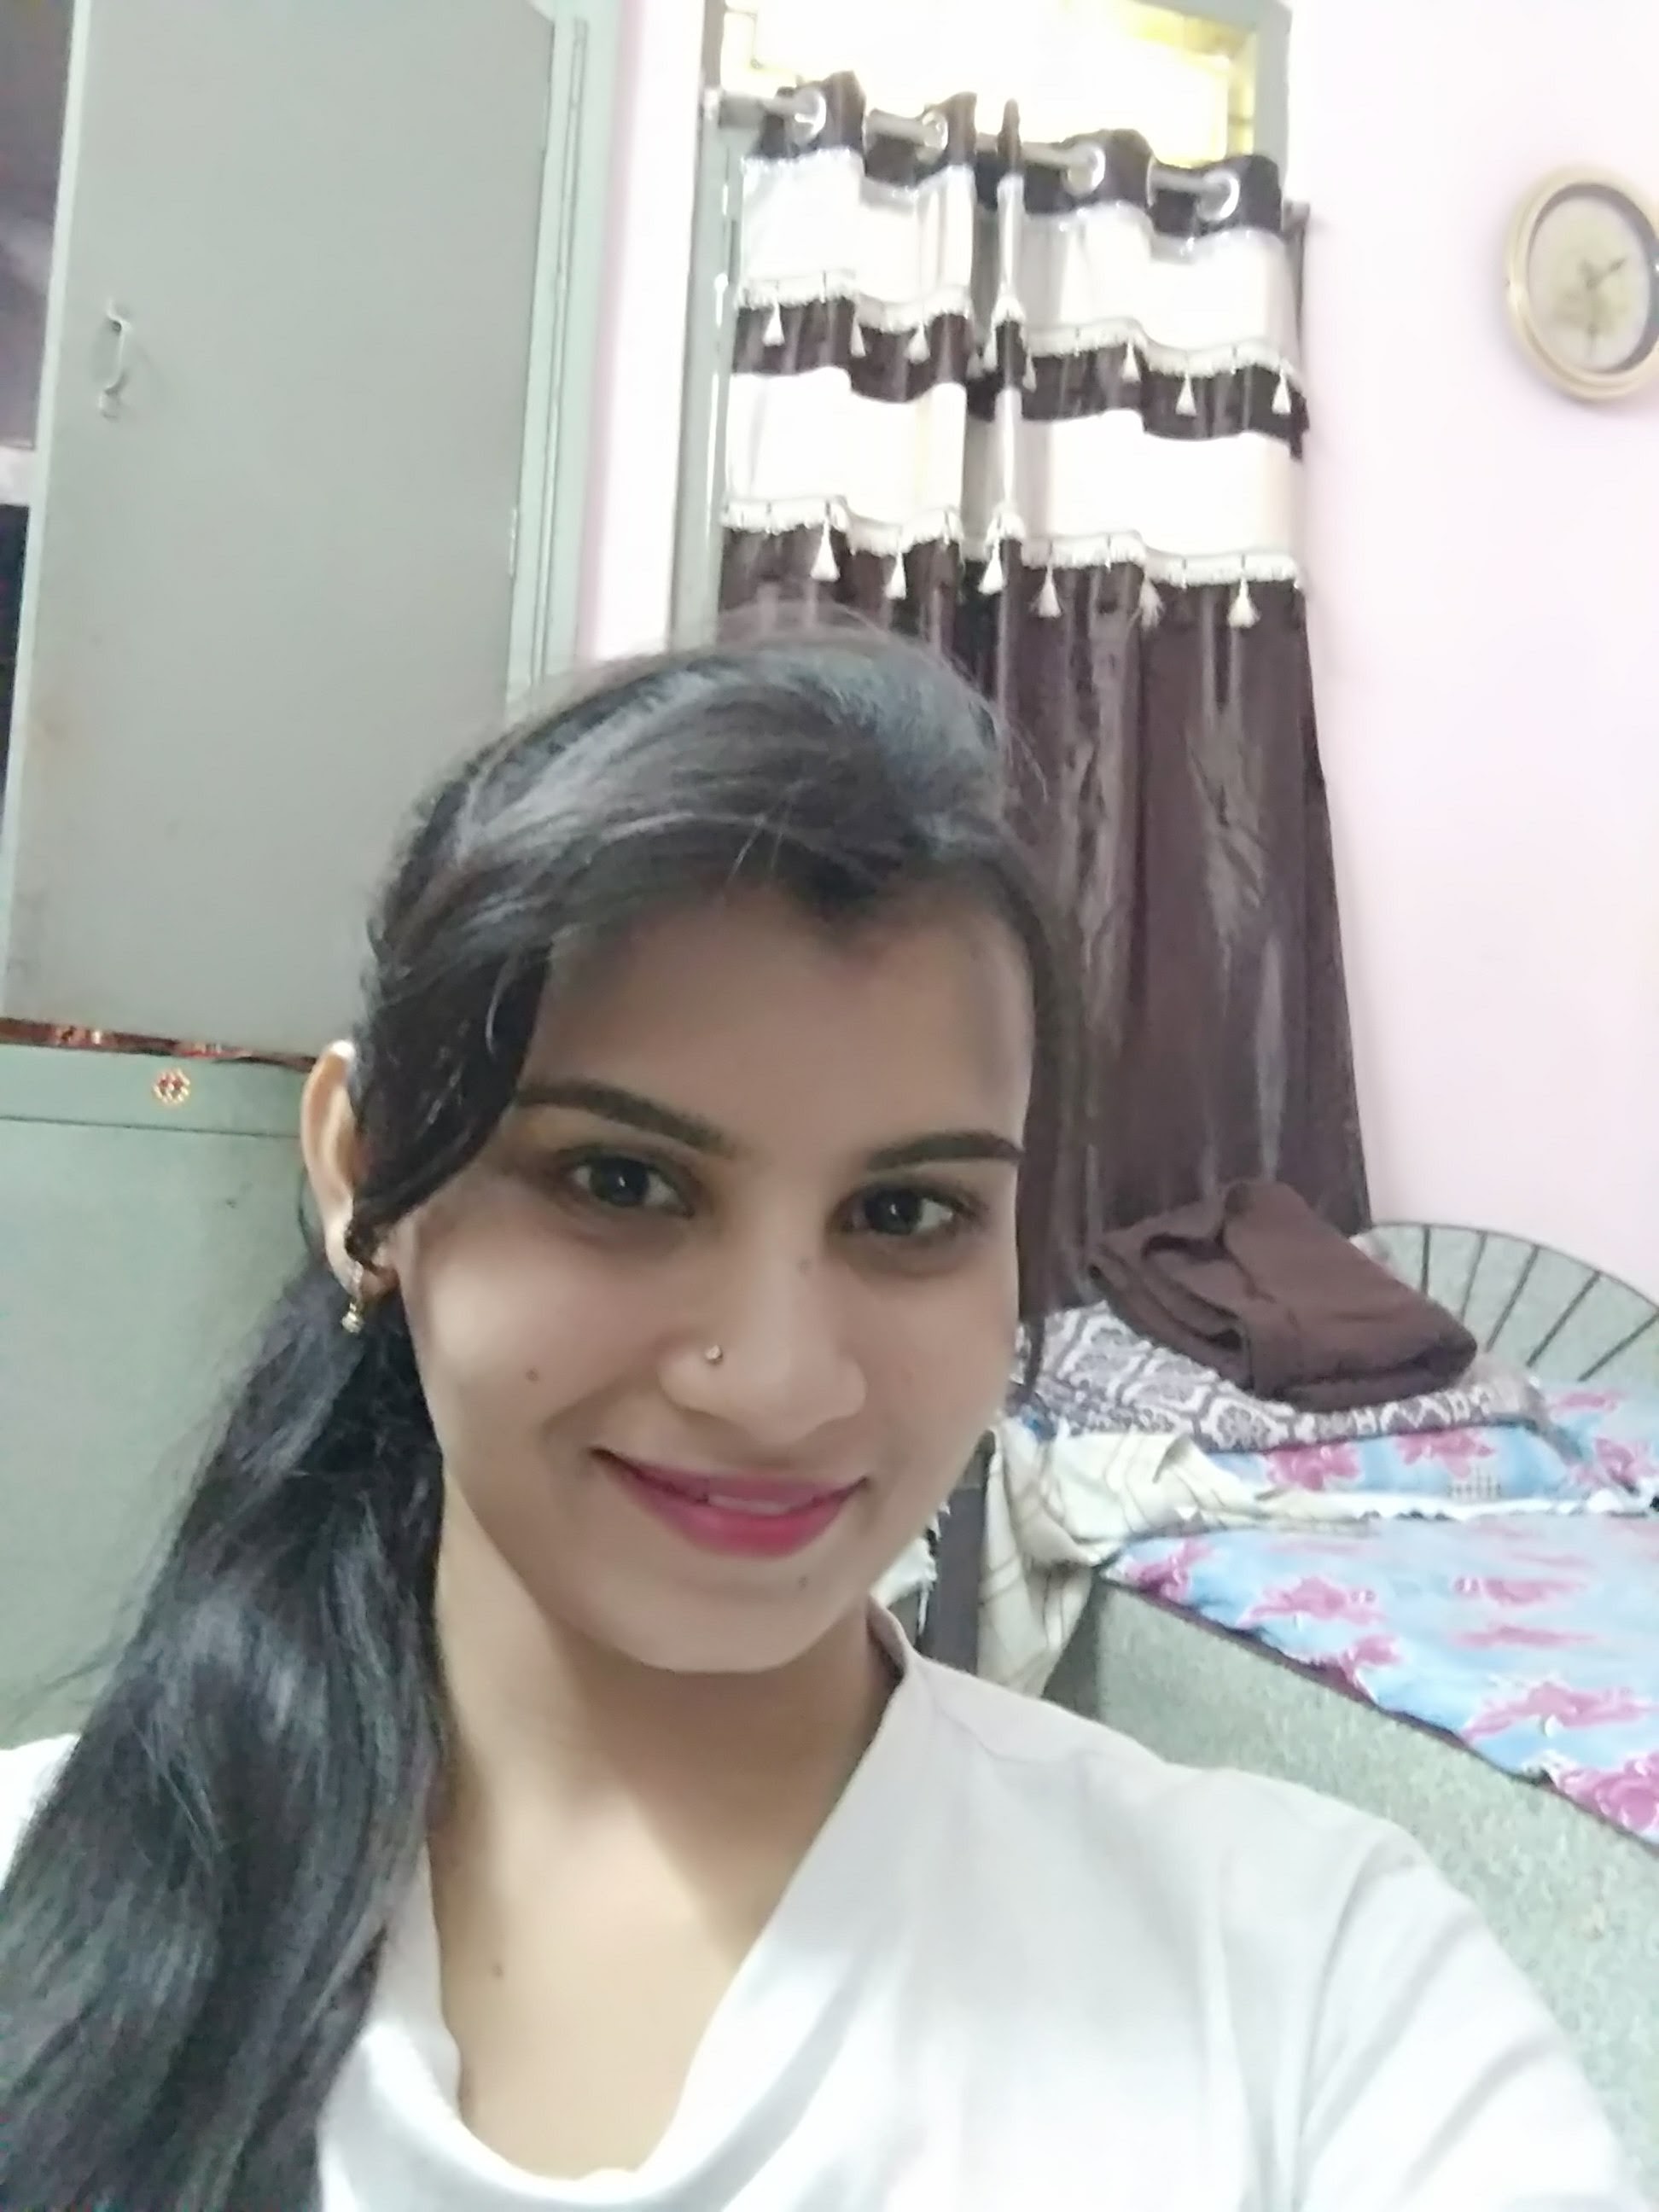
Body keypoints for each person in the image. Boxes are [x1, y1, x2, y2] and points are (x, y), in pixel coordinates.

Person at [0, 629, 1641, 2212]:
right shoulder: (42, 1899)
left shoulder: (1306, 1979)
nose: (781, 1384)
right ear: (364, 1184)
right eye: (621, 1182)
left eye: (907, 1215)